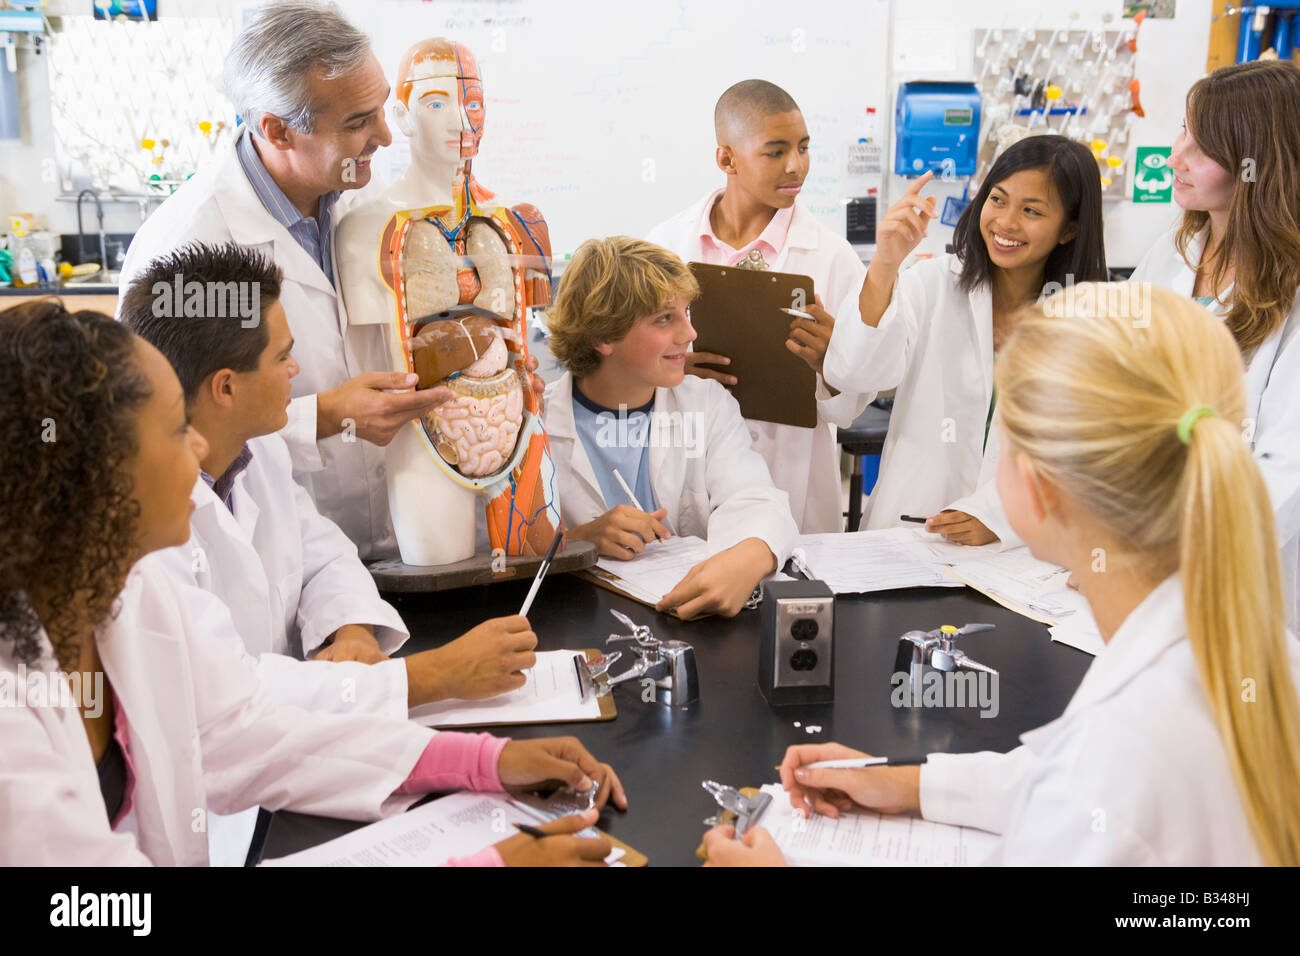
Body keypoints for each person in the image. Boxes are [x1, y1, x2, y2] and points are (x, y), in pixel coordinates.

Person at [0, 300, 625, 866]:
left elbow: (250, 736)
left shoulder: (130, 598)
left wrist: (485, 762)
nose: (196, 448)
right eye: (171, 430)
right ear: (95, 479)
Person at [703, 284, 1300, 866]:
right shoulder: (1223, 639)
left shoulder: (1129, 753)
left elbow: (1091, 790)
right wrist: (908, 785)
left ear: (1038, 490)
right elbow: (1055, 776)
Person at [119, 243, 545, 864]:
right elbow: (228, 700)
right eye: (283, 357)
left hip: (281, 770)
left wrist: (346, 630)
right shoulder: (143, 538)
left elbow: (322, 555)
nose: (297, 376)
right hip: (222, 816)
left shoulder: (252, 448)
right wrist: (431, 677)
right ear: (225, 387)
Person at [117, 1, 542, 561]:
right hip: (278, 564)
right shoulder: (187, 246)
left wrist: (488, 363)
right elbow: (163, 433)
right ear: (277, 130)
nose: (387, 137)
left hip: (404, 541)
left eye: (382, 110)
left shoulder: (366, 203)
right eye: (357, 122)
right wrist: (324, 417)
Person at [824, 134, 1107, 545]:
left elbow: (1087, 454)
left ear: (1069, 229)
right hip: (910, 535)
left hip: (1018, 551)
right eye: (997, 199)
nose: (1006, 222)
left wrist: (1002, 518)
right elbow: (852, 373)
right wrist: (885, 263)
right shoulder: (934, 283)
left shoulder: (1087, 319)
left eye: (1031, 210)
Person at [646, 79, 871, 534]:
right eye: (775, 152)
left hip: (791, 478)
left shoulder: (832, 258)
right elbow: (626, 371)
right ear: (727, 159)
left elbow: (853, 405)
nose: (796, 166)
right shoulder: (662, 248)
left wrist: (834, 362)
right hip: (686, 472)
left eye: (804, 148)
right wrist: (668, 367)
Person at [543, 237, 798, 620]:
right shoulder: (535, 423)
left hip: (683, 618)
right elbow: (493, 554)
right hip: (572, 621)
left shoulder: (706, 403)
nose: (689, 334)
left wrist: (748, 557)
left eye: (686, 312)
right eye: (665, 319)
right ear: (602, 335)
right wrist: (576, 542)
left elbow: (755, 499)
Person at [1130, 59, 1300, 625]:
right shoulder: (1173, 254)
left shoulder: (1292, 295)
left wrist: (1172, 559)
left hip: (1237, 576)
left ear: (1258, 166)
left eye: (1201, 148)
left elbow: (1284, 473)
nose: (1173, 155)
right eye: (1182, 129)